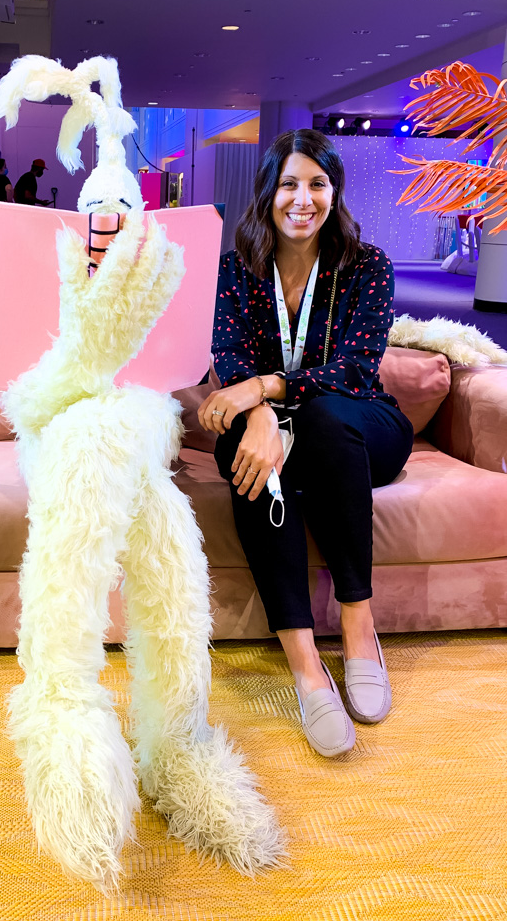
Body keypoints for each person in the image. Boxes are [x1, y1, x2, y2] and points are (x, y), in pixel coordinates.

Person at [198, 128, 413, 759]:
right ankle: (304, 662)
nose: (303, 198)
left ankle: (357, 624)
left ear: (334, 191)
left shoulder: (367, 266)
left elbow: (353, 368)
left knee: (321, 420)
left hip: (359, 421)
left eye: (317, 183)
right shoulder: (237, 267)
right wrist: (257, 413)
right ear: (268, 192)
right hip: (268, 425)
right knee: (248, 448)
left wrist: (264, 390)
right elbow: (227, 355)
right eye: (289, 183)